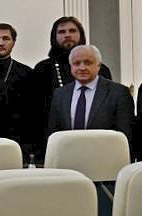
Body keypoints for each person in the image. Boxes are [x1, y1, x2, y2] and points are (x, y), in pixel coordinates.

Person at [31, 16, 110, 156]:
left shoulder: (100, 69)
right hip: (54, 143)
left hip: (97, 143)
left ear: (81, 35)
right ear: (54, 37)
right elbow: (36, 113)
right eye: (62, 32)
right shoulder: (42, 69)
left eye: (72, 31)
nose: (67, 35)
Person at [46, 43, 135, 145]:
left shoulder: (118, 93)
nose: (82, 68)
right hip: (69, 152)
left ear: (98, 66)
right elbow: (54, 133)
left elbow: (125, 135)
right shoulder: (60, 94)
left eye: (88, 63)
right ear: (71, 66)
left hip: (105, 152)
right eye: (77, 63)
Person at [0, 23, 34, 153]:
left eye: (6, 38)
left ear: (14, 42)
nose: (0, 43)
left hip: (17, 140)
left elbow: (32, 114)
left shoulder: (26, 73)